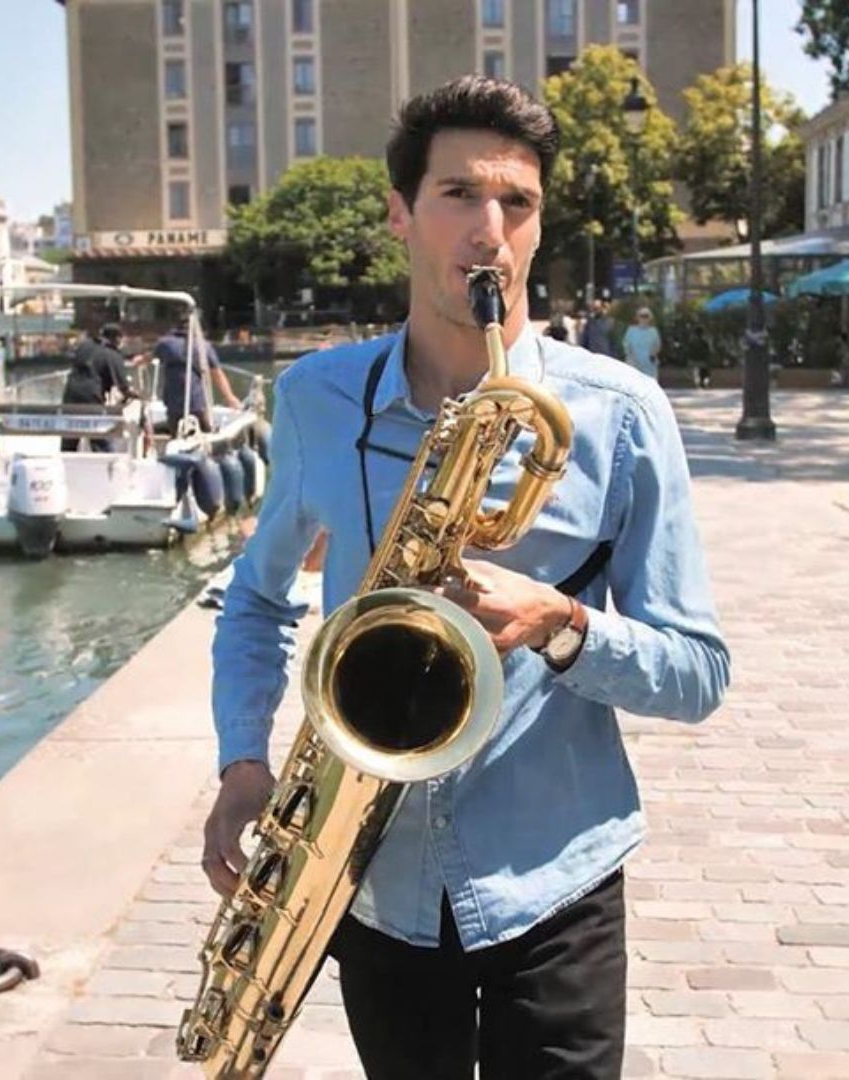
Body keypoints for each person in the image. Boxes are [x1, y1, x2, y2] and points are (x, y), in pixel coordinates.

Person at [203, 76, 730, 1080]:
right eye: (458, 194)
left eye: (516, 202)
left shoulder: (621, 413)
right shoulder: (314, 398)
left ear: (540, 225)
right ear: (401, 214)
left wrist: (562, 622)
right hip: (372, 874)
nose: (490, 230)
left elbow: (699, 670)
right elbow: (260, 598)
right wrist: (241, 763)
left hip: (557, 880)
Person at [136, 317, 241, 434]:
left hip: (173, 402)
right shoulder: (203, 346)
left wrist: (140, 360)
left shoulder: (165, 344)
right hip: (197, 401)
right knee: (204, 432)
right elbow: (217, 374)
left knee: (176, 431)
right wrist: (229, 397)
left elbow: (150, 356)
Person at [622, 307, 662, 380]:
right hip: (634, 364)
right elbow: (626, 345)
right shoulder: (631, 330)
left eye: (646, 316)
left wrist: (653, 354)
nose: (644, 318)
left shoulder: (653, 331)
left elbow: (657, 345)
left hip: (649, 366)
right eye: (641, 316)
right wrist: (630, 358)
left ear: (650, 318)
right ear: (638, 317)